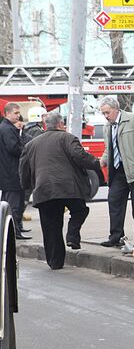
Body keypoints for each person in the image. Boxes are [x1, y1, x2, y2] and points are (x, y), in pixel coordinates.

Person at [19, 113, 99, 269]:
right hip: (69, 188)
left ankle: (55, 262)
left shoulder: (31, 144)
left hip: (44, 190)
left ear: (45, 125)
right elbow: (80, 156)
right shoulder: (68, 138)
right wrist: (96, 163)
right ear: (60, 124)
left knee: (50, 227)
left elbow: (24, 168)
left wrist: (27, 186)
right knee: (80, 210)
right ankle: (72, 234)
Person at [98, 97, 134, 247]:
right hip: (117, 171)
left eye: (107, 112)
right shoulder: (107, 127)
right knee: (114, 202)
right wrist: (103, 160)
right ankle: (116, 237)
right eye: (103, 113)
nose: (105, 116)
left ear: (116, 109)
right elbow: (109, 148)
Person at [0, 103, 31, 239]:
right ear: (7, 114)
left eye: (19, 113)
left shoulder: (7, 128)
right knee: (13, 204)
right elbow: (14, 148)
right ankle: (14, 232)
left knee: (9, 203)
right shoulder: (7, 129)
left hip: (8, 172)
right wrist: (26, 150)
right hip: (11, 173)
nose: (19, 116)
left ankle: (14, 230)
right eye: (16, 113)